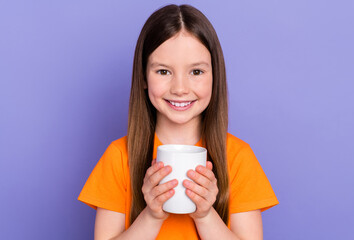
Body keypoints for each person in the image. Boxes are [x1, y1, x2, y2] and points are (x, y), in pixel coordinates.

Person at [78, 4, 278, 240]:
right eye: (163, 72)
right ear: (143, 76)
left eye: (196, 72)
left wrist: (205, 215)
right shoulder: (119, 157)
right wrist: (151, 215)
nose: (180, 89)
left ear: (215, 76)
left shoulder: (237, 158)